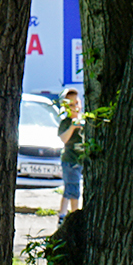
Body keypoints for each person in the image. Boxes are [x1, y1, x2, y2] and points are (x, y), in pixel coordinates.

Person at [58, 87, 84, 217]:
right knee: (72, 188)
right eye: (71, 105)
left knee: (73, 188)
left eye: (77, 103)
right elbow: (64, 139)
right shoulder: (66, 122)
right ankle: (68, 215)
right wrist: (72, 127)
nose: (75, 107)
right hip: (70, 161)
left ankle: (70, 214)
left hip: (81, 161)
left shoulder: (85, 122)